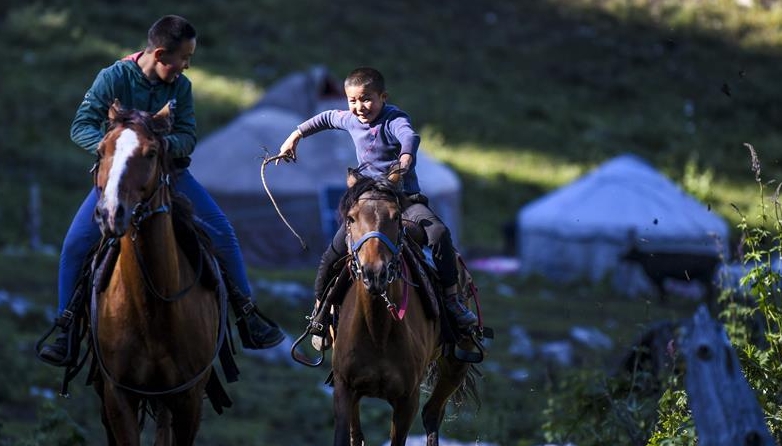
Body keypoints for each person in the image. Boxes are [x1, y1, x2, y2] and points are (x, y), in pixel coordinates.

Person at [38, 15, 284, 366]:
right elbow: (81, 126)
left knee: (223, 233)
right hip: (122, 177)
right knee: (76, 244)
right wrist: (118, 149)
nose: (186, 65)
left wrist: (158, 146)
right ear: (160, 54)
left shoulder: (181, 87)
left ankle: (247, 314)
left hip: (170, 173)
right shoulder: (113, 77)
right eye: (184, 58)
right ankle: (66, 329)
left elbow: (188, 136)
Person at [278, 67, 477, 346]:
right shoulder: (350, 119)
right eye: (353, 100)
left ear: (383, 97)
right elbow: (325, 118)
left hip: (403, 201)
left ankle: (451, 298)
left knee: (439, 233)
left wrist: (405, 159)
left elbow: (409, 136)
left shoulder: (394, 119)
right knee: (331, 255)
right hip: (368, 203)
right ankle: (320, 312)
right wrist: (295, 136)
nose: (359, 106)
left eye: (366, 99)